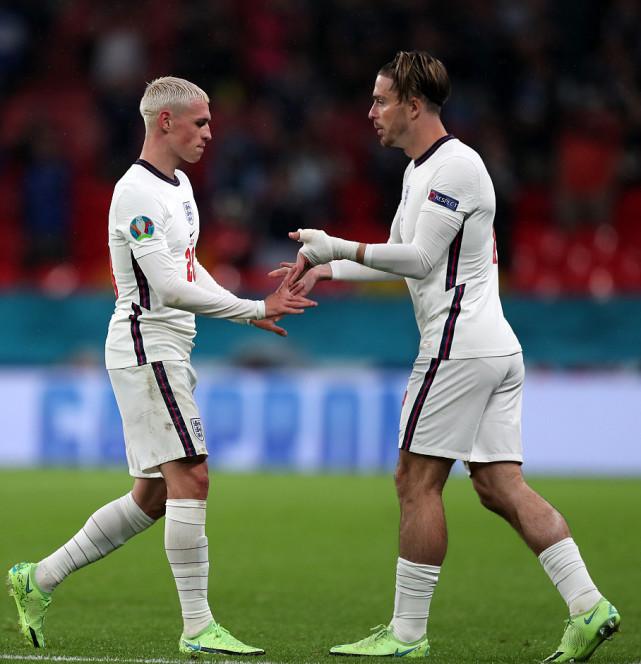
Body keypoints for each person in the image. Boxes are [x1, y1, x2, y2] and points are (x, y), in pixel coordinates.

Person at [276, 51, 621, 662]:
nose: (371, 112)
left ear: (413, 106)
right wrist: (329, 268)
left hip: (458, 346)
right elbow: (398, 254)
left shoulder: (457, 167)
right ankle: (588, 605)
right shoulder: (421, 170)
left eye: (381, 100)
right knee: (498, 484)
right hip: (489, 344)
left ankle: (407, 634)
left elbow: (421, 260)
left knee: (416, 480)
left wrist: (337, 244)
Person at [7, 76, 315, 657]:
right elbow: (168, 288)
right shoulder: (136, 193)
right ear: (165, 122)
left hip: (170, 347)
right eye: (200, 122)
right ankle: (198, 628)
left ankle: (37, 578)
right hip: (147, 345)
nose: (210, 132)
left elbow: (189, 268)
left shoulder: (180, 186)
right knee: (192, 476)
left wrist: (247, 309)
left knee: (152, 496)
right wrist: (252, 309)